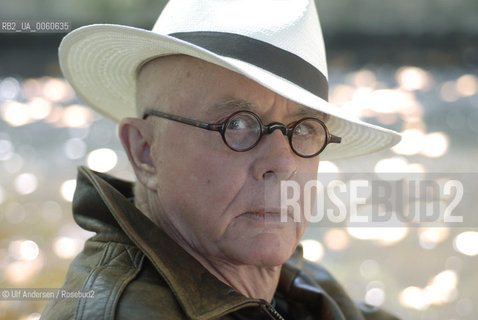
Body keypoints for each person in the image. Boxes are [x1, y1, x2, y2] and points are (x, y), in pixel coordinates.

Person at [41, 0, 401, 319]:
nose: (283, 164)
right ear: (145, 152)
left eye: (304, 129)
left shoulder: (292, 282)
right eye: (239, 124)